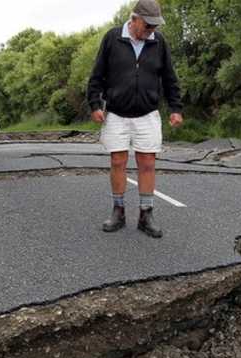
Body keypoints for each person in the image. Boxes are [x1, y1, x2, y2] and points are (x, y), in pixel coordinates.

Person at [87, 0, 183, 239]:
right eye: (148, 25)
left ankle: (146, 214)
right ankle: (118, 211)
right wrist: (95, 104)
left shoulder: (159, 42)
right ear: (134, 19)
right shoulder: (112, 38)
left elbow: (170, 78)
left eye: (155, 26)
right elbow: (97, 75)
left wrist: (175, 108)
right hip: (117, 113)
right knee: (118, 161)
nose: (152, 30)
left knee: (147, 163)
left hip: (148, 114)